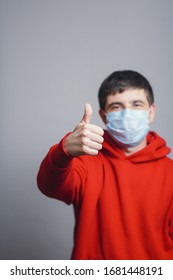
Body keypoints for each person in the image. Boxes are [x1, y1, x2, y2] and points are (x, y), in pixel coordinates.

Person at [37, 70, 173, 260]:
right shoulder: (86, 160)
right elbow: (48, 186)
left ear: (151, 112)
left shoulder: (170, 173)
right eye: (117, 106)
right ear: (103, 116)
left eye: (137, 104)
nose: (128, 114)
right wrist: (63, 150)